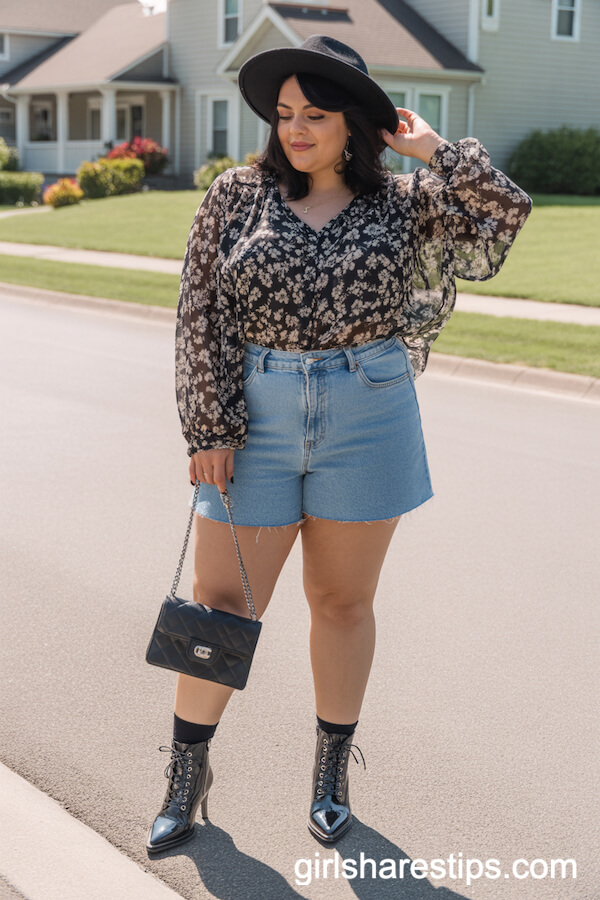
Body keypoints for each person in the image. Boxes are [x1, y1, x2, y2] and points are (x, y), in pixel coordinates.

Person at [146, 35, 532, 854]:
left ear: (356, 123)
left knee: (342, 604)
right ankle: (187, 773)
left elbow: (502, 218)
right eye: (284, 114)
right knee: (221, 604)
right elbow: (200, 312)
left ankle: (329, 772)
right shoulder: (235, 196)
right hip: (255, 416)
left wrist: (433, 149)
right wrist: (208, 426)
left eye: (315, 114)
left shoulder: (403, 201)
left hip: (370, 410)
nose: (294, 129)